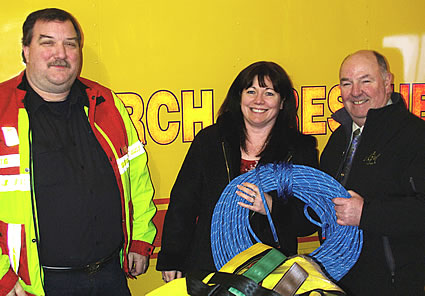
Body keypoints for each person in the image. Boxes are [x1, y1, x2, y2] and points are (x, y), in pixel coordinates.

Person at [0, 8, 157, 296]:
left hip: (111, 275)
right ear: (25, 50)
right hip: (39, 284)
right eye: (47, 42)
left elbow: (136, 176)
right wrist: (3, 278)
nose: (60, 53)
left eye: (70, 44)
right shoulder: (2, 110)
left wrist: (140, 240)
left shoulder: (105, 102)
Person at [157, 61, 319, 282]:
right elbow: (183, 203)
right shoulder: (210, 141)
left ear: (282, 102)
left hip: (271, 272)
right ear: (239, 97)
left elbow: (309, 219)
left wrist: (271, 206)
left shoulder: (300, 150)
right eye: (251, 91)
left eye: (269, 93)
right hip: (209, 265)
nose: (258, 100)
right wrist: (173, 258)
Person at [320, 50, 425, 295]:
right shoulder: (338, 139)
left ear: (388, 82)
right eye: (347, 83)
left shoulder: (416, 136)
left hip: (391, 285)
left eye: (366, 80)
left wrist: (366, 213)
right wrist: (271, 205)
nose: (356, 91)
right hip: (337, 280)